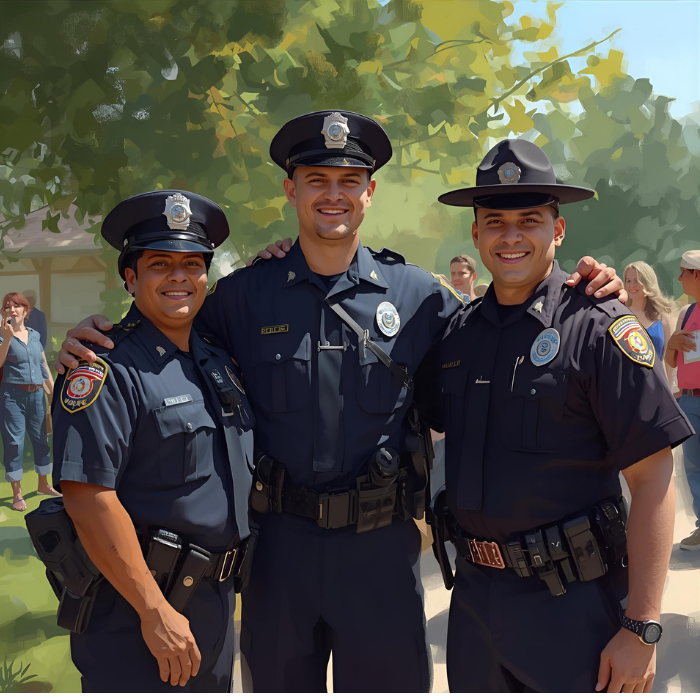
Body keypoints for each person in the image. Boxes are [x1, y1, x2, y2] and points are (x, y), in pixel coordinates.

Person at [56, 111, 623, 693]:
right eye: (317, 179)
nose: (334, 195)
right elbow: (159, 331)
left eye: (348, 181)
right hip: (279, 554)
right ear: (291, 189)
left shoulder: (421, 297)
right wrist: (87, 341)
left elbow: (503, 334)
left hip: (381, 555)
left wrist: (583, 290)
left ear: (369, 191)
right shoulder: (240, 298)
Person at [421, 139, 694, 693]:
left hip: (574, 607)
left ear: (559, 230)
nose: (512, 235)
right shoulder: (456, 336)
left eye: (530, 219)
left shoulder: (598, 326)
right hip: (474, 604)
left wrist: (642, 626)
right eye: (495, 221)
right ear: (475, 234)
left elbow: (653, 477)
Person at [49, 191, 255, 692]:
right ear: (130, 277)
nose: (179, 277)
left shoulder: (216, 360)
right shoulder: (104, 368)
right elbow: (87, 497)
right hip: (136, 613)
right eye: (160, 264)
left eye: (192, 263)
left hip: (210, 600)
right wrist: (153, 610)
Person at [0, 292, 57, 511]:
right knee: (14, 442)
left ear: (26, 310)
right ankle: (17, 493)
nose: (11, 310)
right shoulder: (2, 334)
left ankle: (44, 485)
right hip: (11, 395)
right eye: (7, 307)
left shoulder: (34, 335)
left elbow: (43, 367)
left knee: (41, 440)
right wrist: (6, 337)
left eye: (16, 306)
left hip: (36, 396)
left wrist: (51, 395)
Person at [666, 250, 700, 550]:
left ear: (697, 274)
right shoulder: (686, 313)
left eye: (683, 272)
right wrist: (672, 344)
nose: (679, 278)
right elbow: (673, 362)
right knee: (693, 467)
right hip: (690, 401)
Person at [624, 261, 675, 381]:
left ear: (647, 283)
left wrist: (670, 388)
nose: (632, 285)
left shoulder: (664, 318)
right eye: (628, 281)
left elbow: (669, 359)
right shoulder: (619, 315)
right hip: (626, 387)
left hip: (656, 385)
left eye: (637, 280)